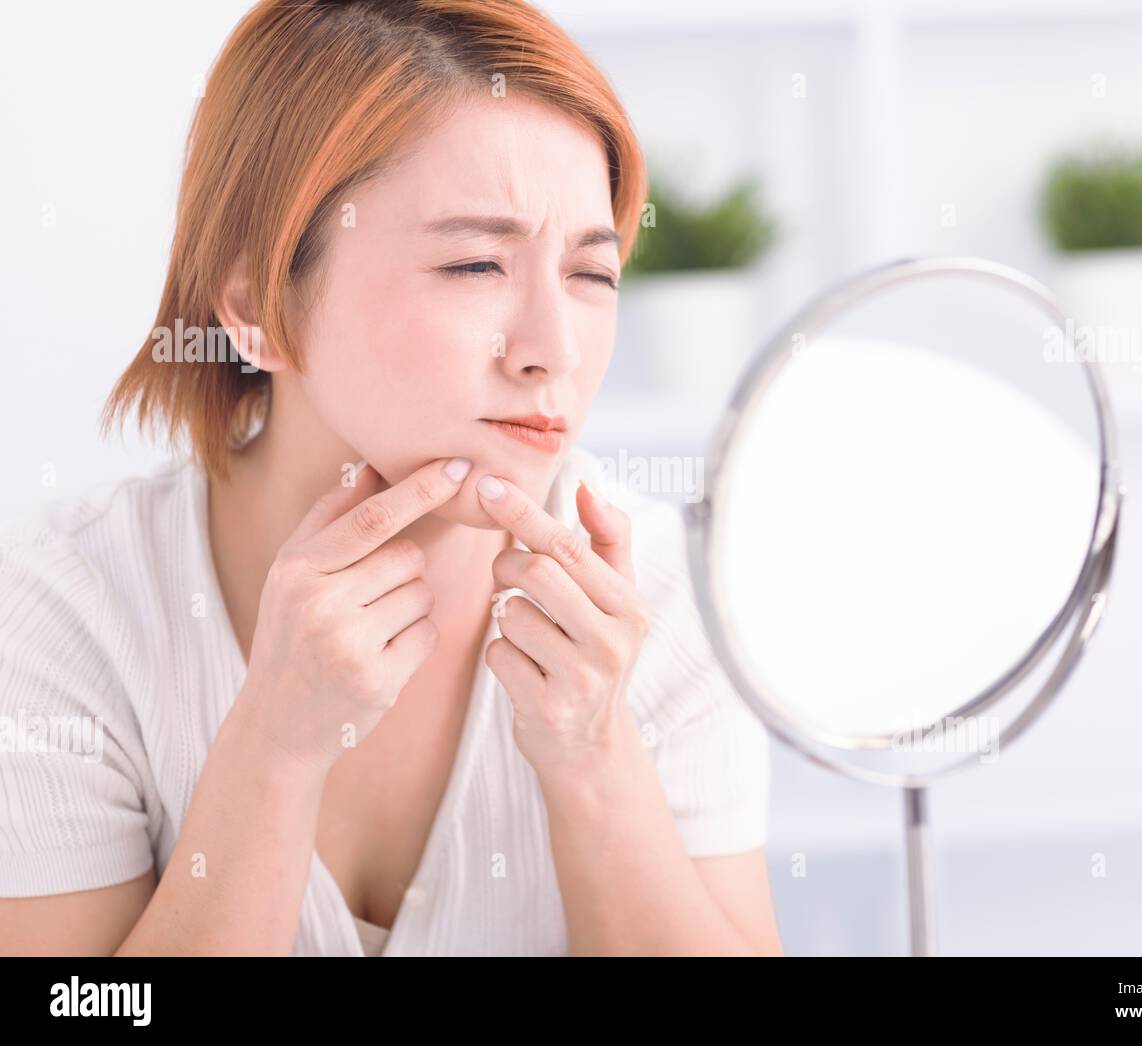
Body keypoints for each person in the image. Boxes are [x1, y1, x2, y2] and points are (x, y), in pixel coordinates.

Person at [0, 0, 781, 956]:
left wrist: (591, 754)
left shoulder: (661, 595)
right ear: (256, 307)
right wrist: (276, 750)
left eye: (591, 274)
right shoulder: (61, 609)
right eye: (474, 264)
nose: (552, 350)